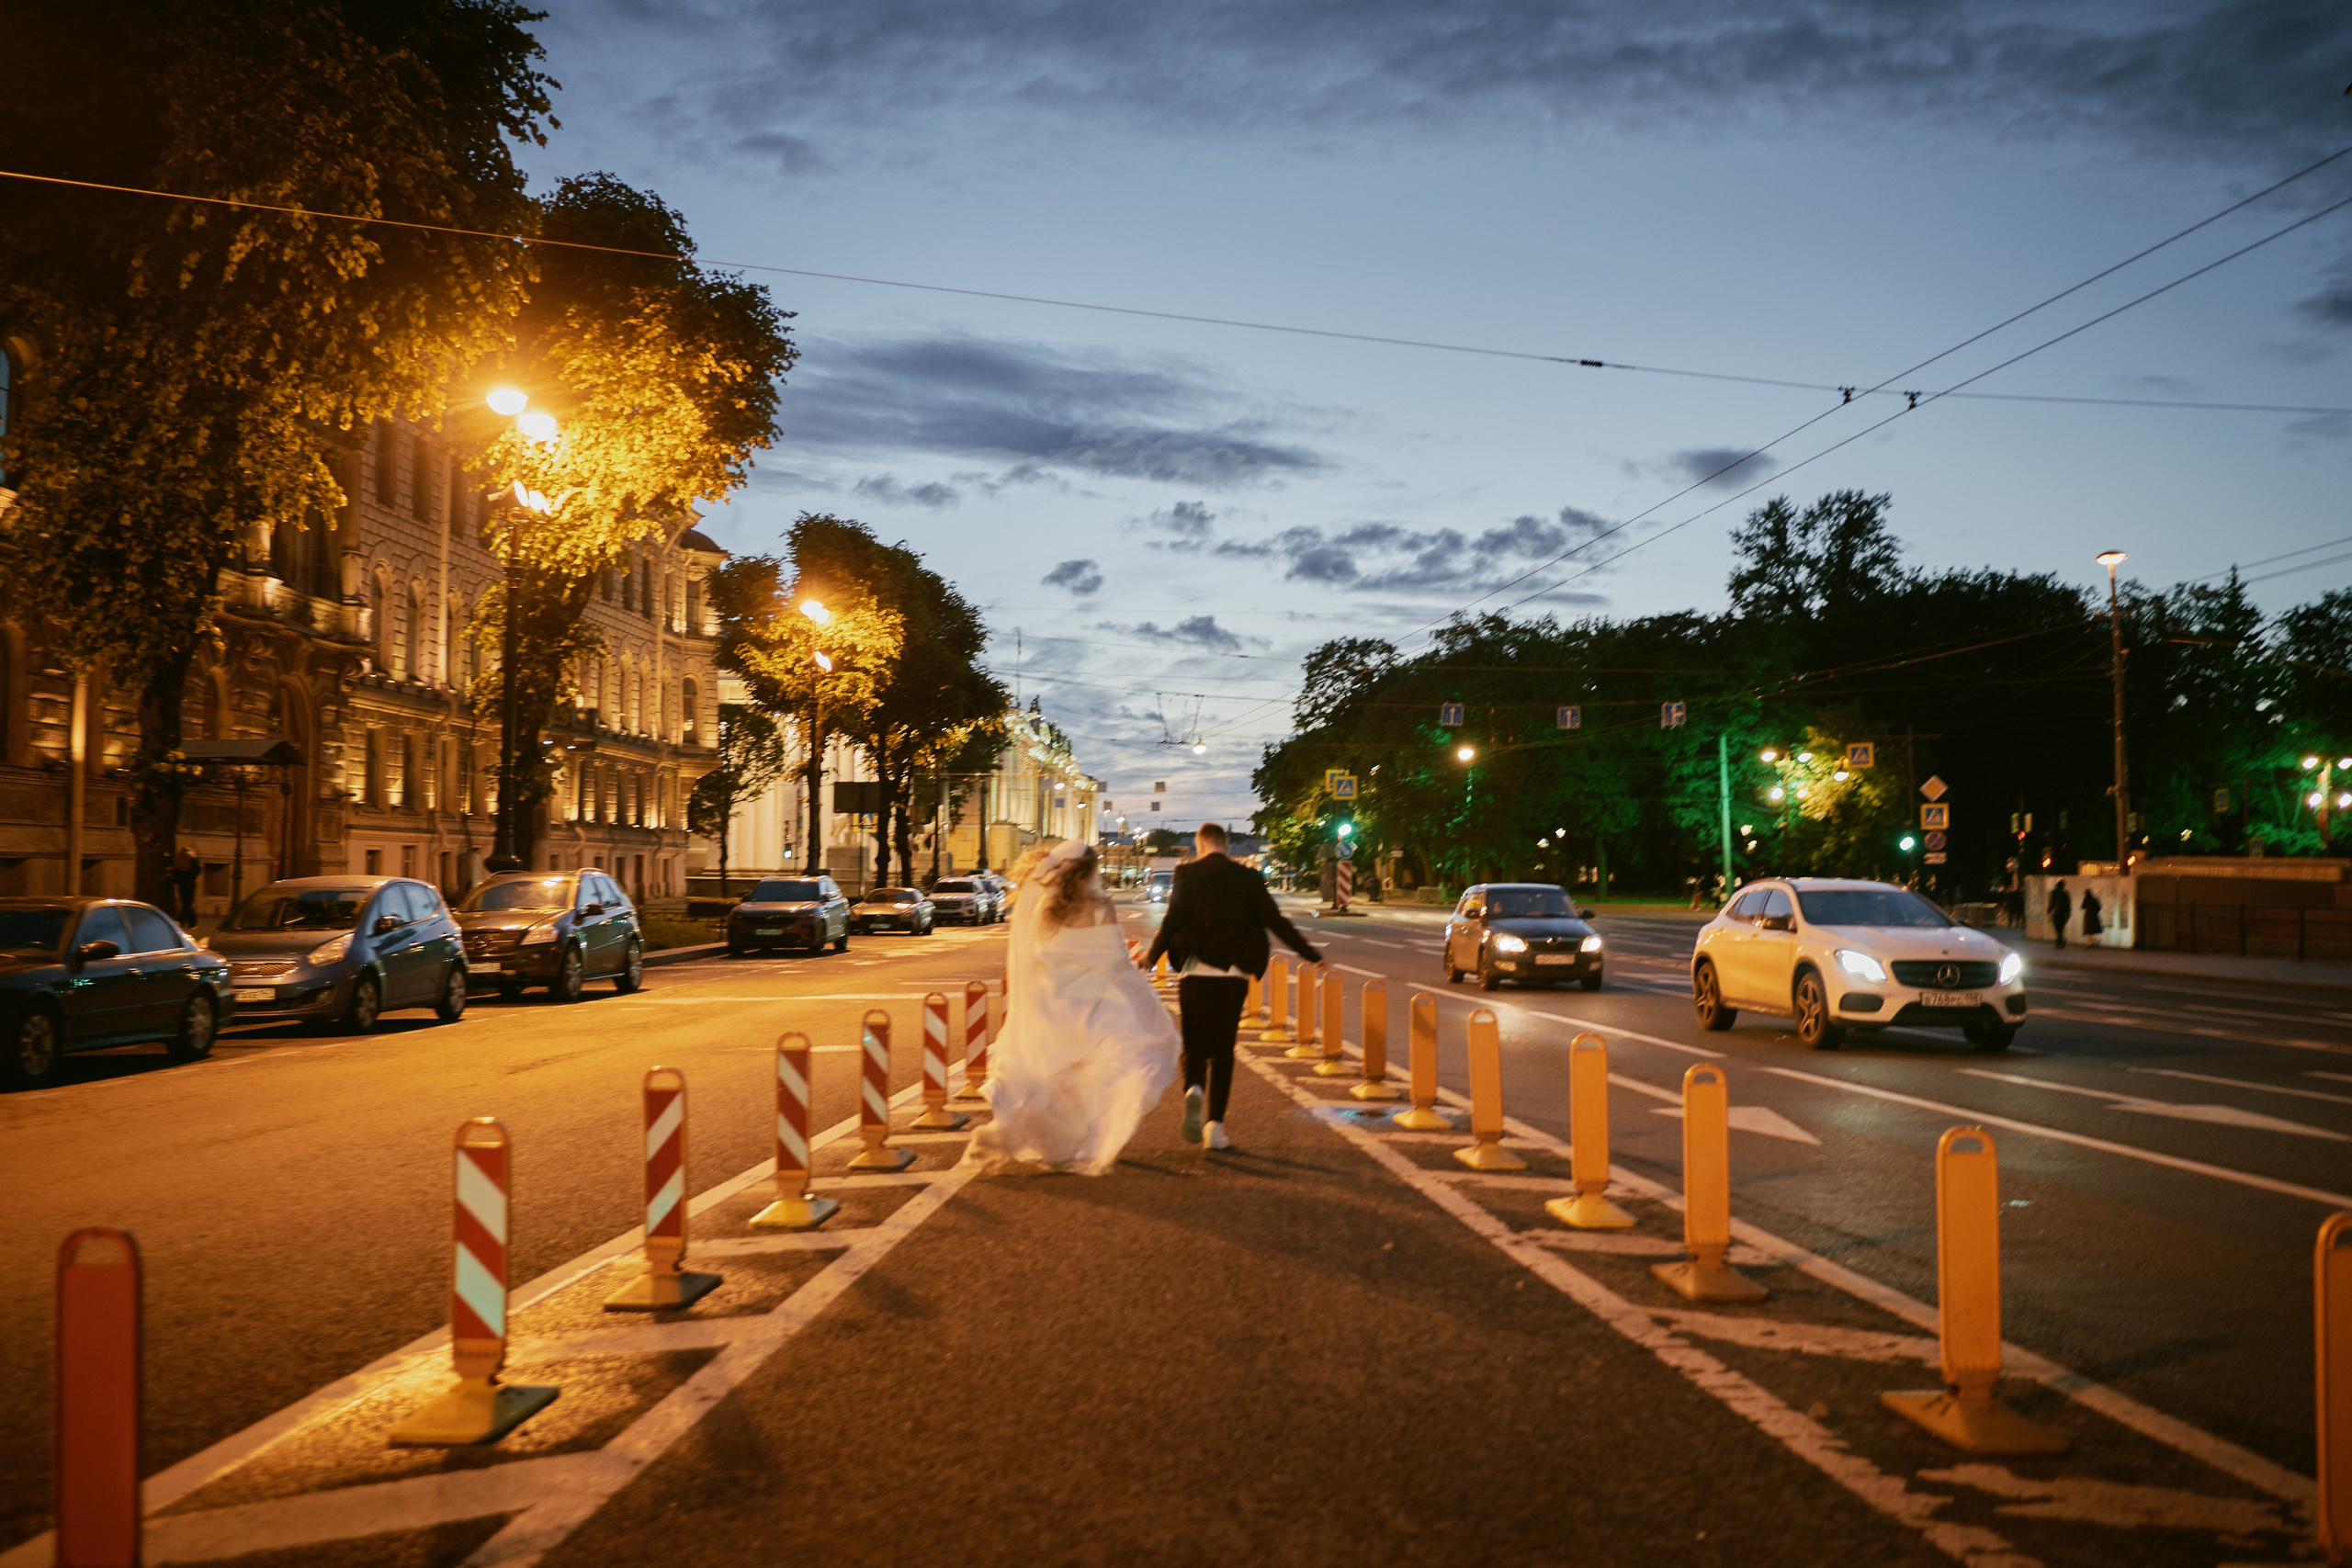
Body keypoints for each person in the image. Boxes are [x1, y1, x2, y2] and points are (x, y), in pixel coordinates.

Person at [965, 840, 1178, 1176]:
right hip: (1089, 1003)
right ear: (1090, 872)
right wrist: (1141, 992)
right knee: (1109, 1066)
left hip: (1051, 1002)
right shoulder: (1099, 906)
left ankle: (1036, 1138)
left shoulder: (1044, 907)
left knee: (1056, 1077)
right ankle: (1072, 1142)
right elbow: (1115, 962)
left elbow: (1034, 955)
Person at [1146, 821, 1322, 1151]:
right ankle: (1215, 1128)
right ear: (1225, 845)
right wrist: (1312, 955)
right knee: (1224, 1048)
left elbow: (1171, 922)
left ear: (1200, 845)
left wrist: (1150, 957)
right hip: (1234, 975)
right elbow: (1275, 921)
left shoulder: (1186, 874)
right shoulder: (1248, 877)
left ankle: (1194, 1089)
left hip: (1195, 972)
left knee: (1194, 1045)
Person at [170, 845, 200, 927]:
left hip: (182, 887)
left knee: (186, 904)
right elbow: (197, 871)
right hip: (190, 886)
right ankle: (181, 921)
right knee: (187, 904)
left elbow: (176, 878)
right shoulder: (191, 863)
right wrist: (194, 858)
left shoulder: (178, 864)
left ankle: (192, 922)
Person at [2047, 879, 2073, 951]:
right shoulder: (2065, 893)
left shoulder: (2054, 892)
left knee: (2057, 927)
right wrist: (2068, 913)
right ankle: (2060, 941)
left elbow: (2052, 902)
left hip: (2057, 912)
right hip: (2063, 913)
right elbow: (2068, 904)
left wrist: (2048, 911)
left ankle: (2060, 942)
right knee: (2061, 927)